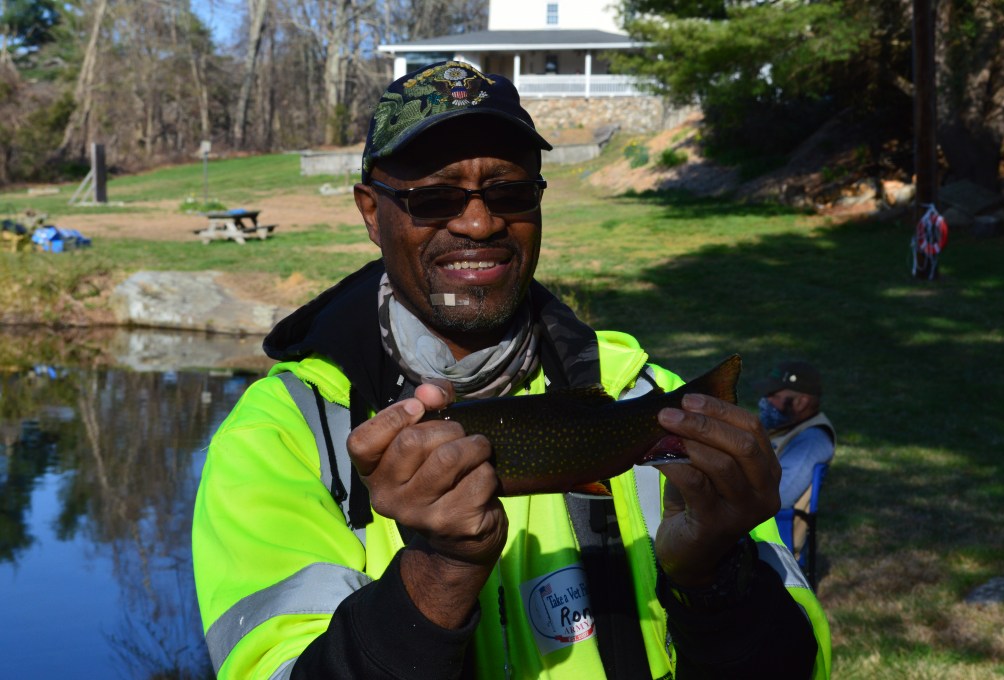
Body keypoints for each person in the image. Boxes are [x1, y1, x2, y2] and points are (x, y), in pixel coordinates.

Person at [193, 60, 831, 679]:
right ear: (370, 212)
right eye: (434, 197)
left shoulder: (652, 399)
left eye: (510, 192)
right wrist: (437, 574)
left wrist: (713, 578)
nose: (479, 222)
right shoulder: (281, 438)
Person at [755, 360, 837, 509]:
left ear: (801, 402)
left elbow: (781, 496)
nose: (766, 400)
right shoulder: (785, 428)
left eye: (773, 395)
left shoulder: (812, 441)